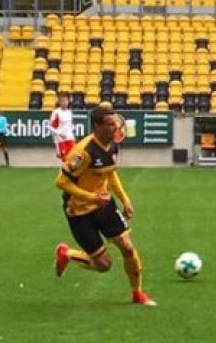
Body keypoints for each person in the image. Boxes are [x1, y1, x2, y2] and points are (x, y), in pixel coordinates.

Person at [53, 104, 154, 306]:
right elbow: (61, 182)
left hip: (103, 205)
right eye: (109, 124)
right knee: (104, 265)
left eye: (115, 123)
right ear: (97, 127)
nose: (115, 127)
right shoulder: (83, 152)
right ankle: (67, 254)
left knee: (127, 247)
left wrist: (125, 200)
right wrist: (91, 198)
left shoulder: (113, 144)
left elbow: (110, 172)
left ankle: (137, 293)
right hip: (79, 212)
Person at [49, 91, 77, 162]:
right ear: (59, 102)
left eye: (66, 100)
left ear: (68, 101)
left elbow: (69, 125)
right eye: (63, 101)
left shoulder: (69, 112)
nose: (64, 102)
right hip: (61, 140)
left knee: (73, 159)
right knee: (65, 160)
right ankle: (63, 172)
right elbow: (50, 126)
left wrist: (72, 128)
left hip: (70, 138)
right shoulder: (56, 112)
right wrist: (59, 135)